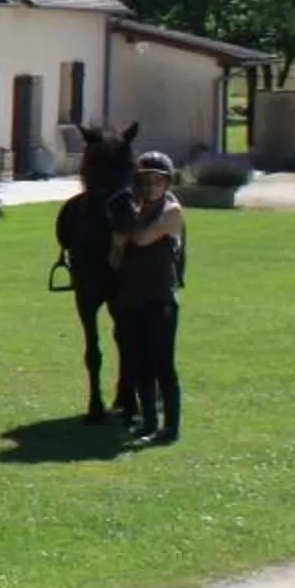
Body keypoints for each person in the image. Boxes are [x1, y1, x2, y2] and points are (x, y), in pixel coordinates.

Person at [108, 149, 186, 445]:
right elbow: (115, 260)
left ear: (167, 184)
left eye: (157, 181)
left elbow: (141, 238)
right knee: (139, 363)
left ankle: (170, 429)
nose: (151, 187)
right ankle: (148, 423)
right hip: (131, 296)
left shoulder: (172, 211)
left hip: (159, 298)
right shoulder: (134, 211)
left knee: (162, 365)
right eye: (146, 181)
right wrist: (116, 244)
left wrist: (125, 230)